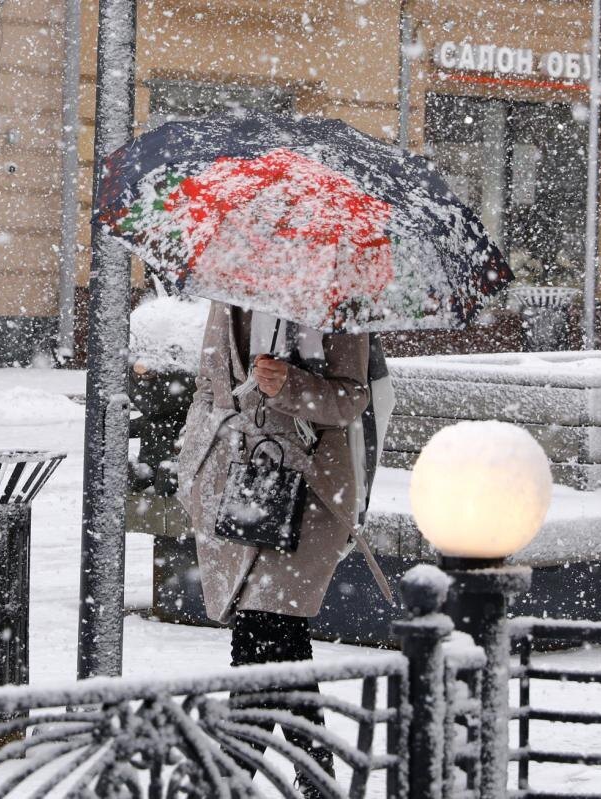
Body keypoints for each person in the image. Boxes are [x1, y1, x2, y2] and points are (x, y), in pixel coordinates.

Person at [176, 302, 391, 795]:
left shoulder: (339, 300)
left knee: (264, 637)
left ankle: (233, 779)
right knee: (277, 648)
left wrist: (288, 386)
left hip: (310, 491)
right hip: (239, 483)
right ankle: (314, 780)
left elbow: (351, 399)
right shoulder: (229, 293)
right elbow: (208, 386)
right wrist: (197, 454)